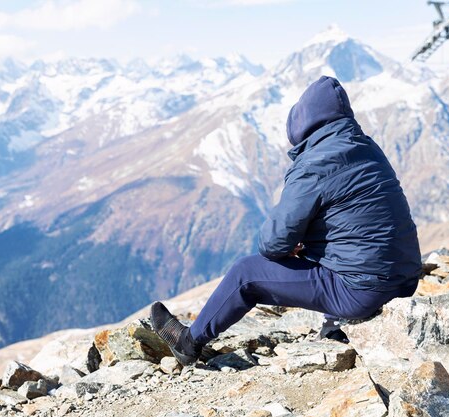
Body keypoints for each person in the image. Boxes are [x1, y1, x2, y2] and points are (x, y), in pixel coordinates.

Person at [151, 75, 422, 366]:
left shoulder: (313, 165)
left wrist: (289, 246)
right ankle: (335, 327)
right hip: (405, 280)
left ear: (301, 123)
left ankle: (188, 342)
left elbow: (272, 242)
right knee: (331, 245)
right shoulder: (368, 147)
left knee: (246, 273)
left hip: (363, 291)